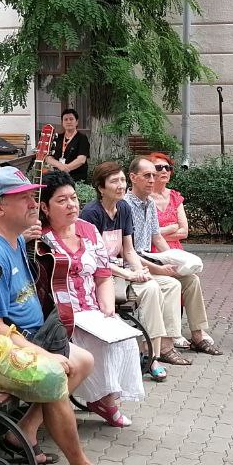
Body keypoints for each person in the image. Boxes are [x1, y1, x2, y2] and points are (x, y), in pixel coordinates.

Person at [0, 167, 121, 465]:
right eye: (24, 197)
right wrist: (42, 354)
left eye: (32, 195)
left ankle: (23, 431)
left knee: (82, 360)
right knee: (53, 375)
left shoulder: (13, 241)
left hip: (29, 337)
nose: (33, 202)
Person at [40, 170, 147, 427]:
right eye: (62, 200)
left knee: (124, 340)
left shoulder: (88, 230)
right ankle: (102, 403)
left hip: (93, 310)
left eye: (74, 198)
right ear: (44, 207)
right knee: (100, 344)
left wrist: (107, 309)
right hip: (62, 316)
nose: (72, 205)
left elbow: (102, 274)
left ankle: (106, 399)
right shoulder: (40, 237)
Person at [81, 160, 187, 378]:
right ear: (101, 188)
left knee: (161, 285)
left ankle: (155, 352)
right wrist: (130, 274)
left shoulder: (123, 208)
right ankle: (151, 354)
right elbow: (95, 259)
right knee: (151, 289)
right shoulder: (92, 213)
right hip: (100, 276)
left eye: (121, 180)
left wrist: (141, 272)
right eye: (114, 181)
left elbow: (128, 250)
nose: (120, 185)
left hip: (122, 271)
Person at [124, 156, 224, 355]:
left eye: (154, 175)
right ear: (133, 177)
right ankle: (167, 345)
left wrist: (174, 258)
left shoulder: (148, 203)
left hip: (150, 259)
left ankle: (198, 334)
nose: (152, 179)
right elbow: (128, 253)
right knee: (173, 284)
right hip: (134, 266)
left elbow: (157, 237)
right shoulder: (125, 206)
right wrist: (160, 269)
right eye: (147, 175)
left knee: (191, 279)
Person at [149, 151, 189, 249]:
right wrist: (171, 228)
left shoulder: (174, 196)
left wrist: (156, 236)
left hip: (176, 253)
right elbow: (142, 234)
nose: (164, 171)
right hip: (151, 254)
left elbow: (184, 232)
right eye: (159, 168)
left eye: (168, 168)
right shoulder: (143, 198)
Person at [47, 108, 90, 182]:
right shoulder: (57, 137)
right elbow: (48, 158)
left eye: (71, 119)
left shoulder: (82, 138)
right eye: (65, 119)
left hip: (77, 178)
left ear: (76, 122)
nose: (68, 121)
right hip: (58, 177)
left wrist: (66, 168)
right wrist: (59, 165)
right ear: (62, 123)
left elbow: (81, 160)